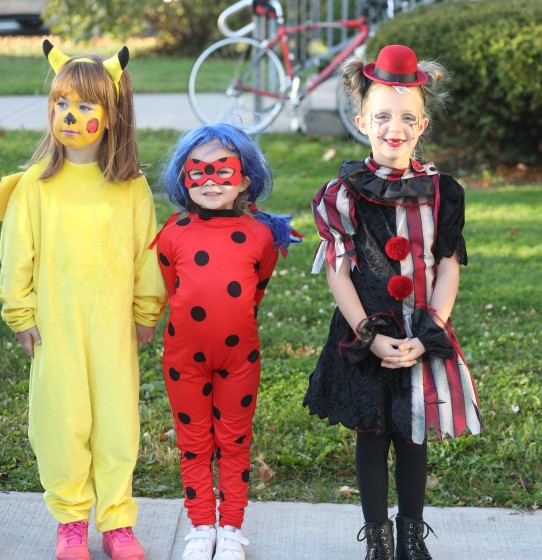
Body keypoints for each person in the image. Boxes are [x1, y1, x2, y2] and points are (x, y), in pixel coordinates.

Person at [303, 44, 484, 560]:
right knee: (372, 432)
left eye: (407, 117)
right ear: (361, 121)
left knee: (413, 434)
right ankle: (378, 539)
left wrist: (433, 327)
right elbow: (338, 271)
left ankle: (411, 536)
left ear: (422, 125)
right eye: (382, 116)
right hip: (368, 331)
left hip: (421, 328)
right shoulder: (342, 193)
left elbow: (448, 262)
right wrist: (368, 334)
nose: (394, 127)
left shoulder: (443, 191)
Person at [0, 40, 167, 560]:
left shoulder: (131, 188)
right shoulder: (35, 187)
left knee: (117, 425)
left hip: (113, 329)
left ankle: (116, 519)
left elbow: (147, 256)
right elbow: (16, 258)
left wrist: (145, 312)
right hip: (56, 328)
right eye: (61, 103)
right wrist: (20, 314)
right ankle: (71, 520)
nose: (69, 115)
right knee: (61, 422)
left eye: (85, 105)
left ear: (112, 114)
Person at [153, 123, 300, 560]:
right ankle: (201, 526)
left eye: (223, 170)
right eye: (198, 172)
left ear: (245, 180)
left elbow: (256, 290)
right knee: (194, 440)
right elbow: (173, 287)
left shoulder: (261, 235)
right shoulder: (173, 232)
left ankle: (231, 527)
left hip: (240, 358)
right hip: (184, 358)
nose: (211, 181)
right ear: (183, 178)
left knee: (235, 441)